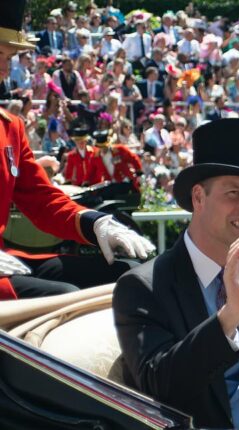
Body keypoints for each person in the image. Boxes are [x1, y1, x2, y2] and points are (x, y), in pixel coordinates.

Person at [113, 118, 239, 430]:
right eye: (234, 192)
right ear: (198, 197)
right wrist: (229, 317)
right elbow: (159, 386)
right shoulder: (143, 287)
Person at [0, 0, 154, 300]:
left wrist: (95, 223)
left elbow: (43, 200)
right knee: (66, 296)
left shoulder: (11, 128)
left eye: (9, 57)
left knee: (128, 275)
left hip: (6, 261)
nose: (5, 68)